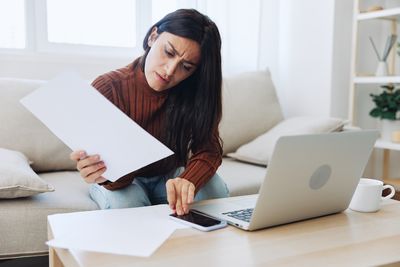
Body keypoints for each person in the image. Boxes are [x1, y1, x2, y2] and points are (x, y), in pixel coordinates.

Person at [70, 9, 229, 216]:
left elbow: (209, 149)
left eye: (186, 66)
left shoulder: (193, 92)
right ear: (153, 37)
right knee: (129, 204)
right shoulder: (109, 87)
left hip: (168, 174)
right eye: (169, 53)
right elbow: (107, 169)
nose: (170, 70)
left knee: (213, 189)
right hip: (122, 182)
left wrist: (188, 180)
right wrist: (104, 175)